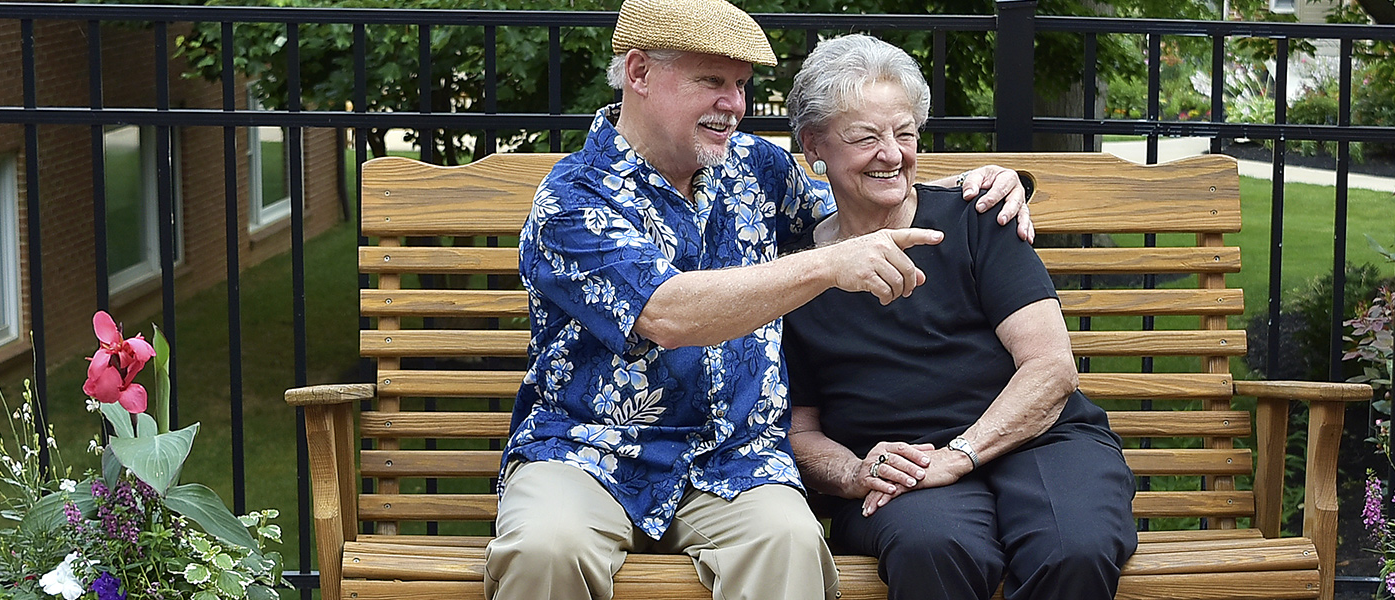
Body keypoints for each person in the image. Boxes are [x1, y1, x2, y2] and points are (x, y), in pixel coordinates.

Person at [484, 1, 1037, 599]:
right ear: (639, 73)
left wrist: (979, 189)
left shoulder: (756, 168)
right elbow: (667, 312)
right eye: (711, 81)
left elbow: (854, 214)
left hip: (735, 459)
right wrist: (826, 266)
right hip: (586, 452)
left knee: (789, 543)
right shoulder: (570, 200)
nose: (734, 105)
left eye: (741, 85)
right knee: (545, 548)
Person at [781, 34, 1138, 600]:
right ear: (813, 147)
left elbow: (1050, 367)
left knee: (1074, 546)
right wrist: (854, 474)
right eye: (866, 137)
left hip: (1040, 440)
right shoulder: (796, 275)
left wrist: (962, 453)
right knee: (935, 548)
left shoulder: (978, 219)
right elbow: (800, 431)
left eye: (904, 134)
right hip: (904, 465)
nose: (892, 154)